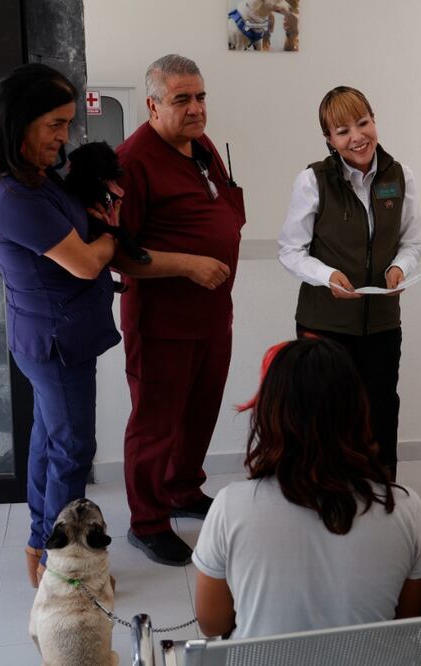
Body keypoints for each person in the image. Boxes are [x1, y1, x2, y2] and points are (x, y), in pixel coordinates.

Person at [0, 64, 123, 588]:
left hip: (55, 336)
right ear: (20, 122)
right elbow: (83, 262)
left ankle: (40, 543)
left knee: (50, 439)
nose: (64, 137)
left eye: (68, 124)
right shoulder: (14, 195)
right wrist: (113, 240)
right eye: (54, 124)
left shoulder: (34, 179)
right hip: (56, 341)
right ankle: (65, 564)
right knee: (73, 447)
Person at [192, 338, 421, 639]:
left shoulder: (232, 506)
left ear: (269, 411)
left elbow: (212, 624)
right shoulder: (405, 507)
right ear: (358, 410)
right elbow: (408, 622)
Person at [113, 54, 245, 566]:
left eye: (201, 96)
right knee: (155, 423)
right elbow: (119, 254)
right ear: (152, 105)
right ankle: (147, 522)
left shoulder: (201, 145)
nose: (196, 109)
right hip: (163, 321)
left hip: (213, 314)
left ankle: (183, 490)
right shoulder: (133, 160)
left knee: (199, 412)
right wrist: (188, 264)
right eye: (181, 99)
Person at [278, 86, 421, 479]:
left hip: (381, 325)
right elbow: (290, 251)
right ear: (329, 139)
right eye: (342, 131)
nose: (357, 137)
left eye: (363, 123)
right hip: (323, 326)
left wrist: (400, 269)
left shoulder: (400, 176)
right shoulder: (313, 180)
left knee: (379, 413)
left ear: (374, 121)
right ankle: (321, 499)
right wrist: (327, 277)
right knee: (323, 416)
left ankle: (380, 499)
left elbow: (411, 242)